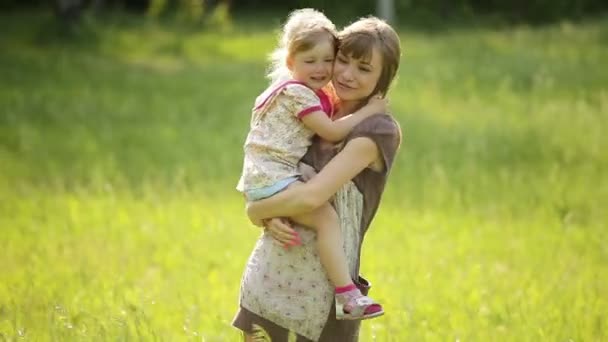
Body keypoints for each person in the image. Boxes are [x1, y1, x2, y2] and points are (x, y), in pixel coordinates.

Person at [233, 14, 402, 342]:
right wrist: (266, 216)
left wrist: (256, 211)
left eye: (364, 68)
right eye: (343, 60)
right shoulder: (315, 108)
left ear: (384, 77)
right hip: (270, 277)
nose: (346, 74)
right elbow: (274, 167)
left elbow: (312, 197)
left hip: (324, 294)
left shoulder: (376, 130)